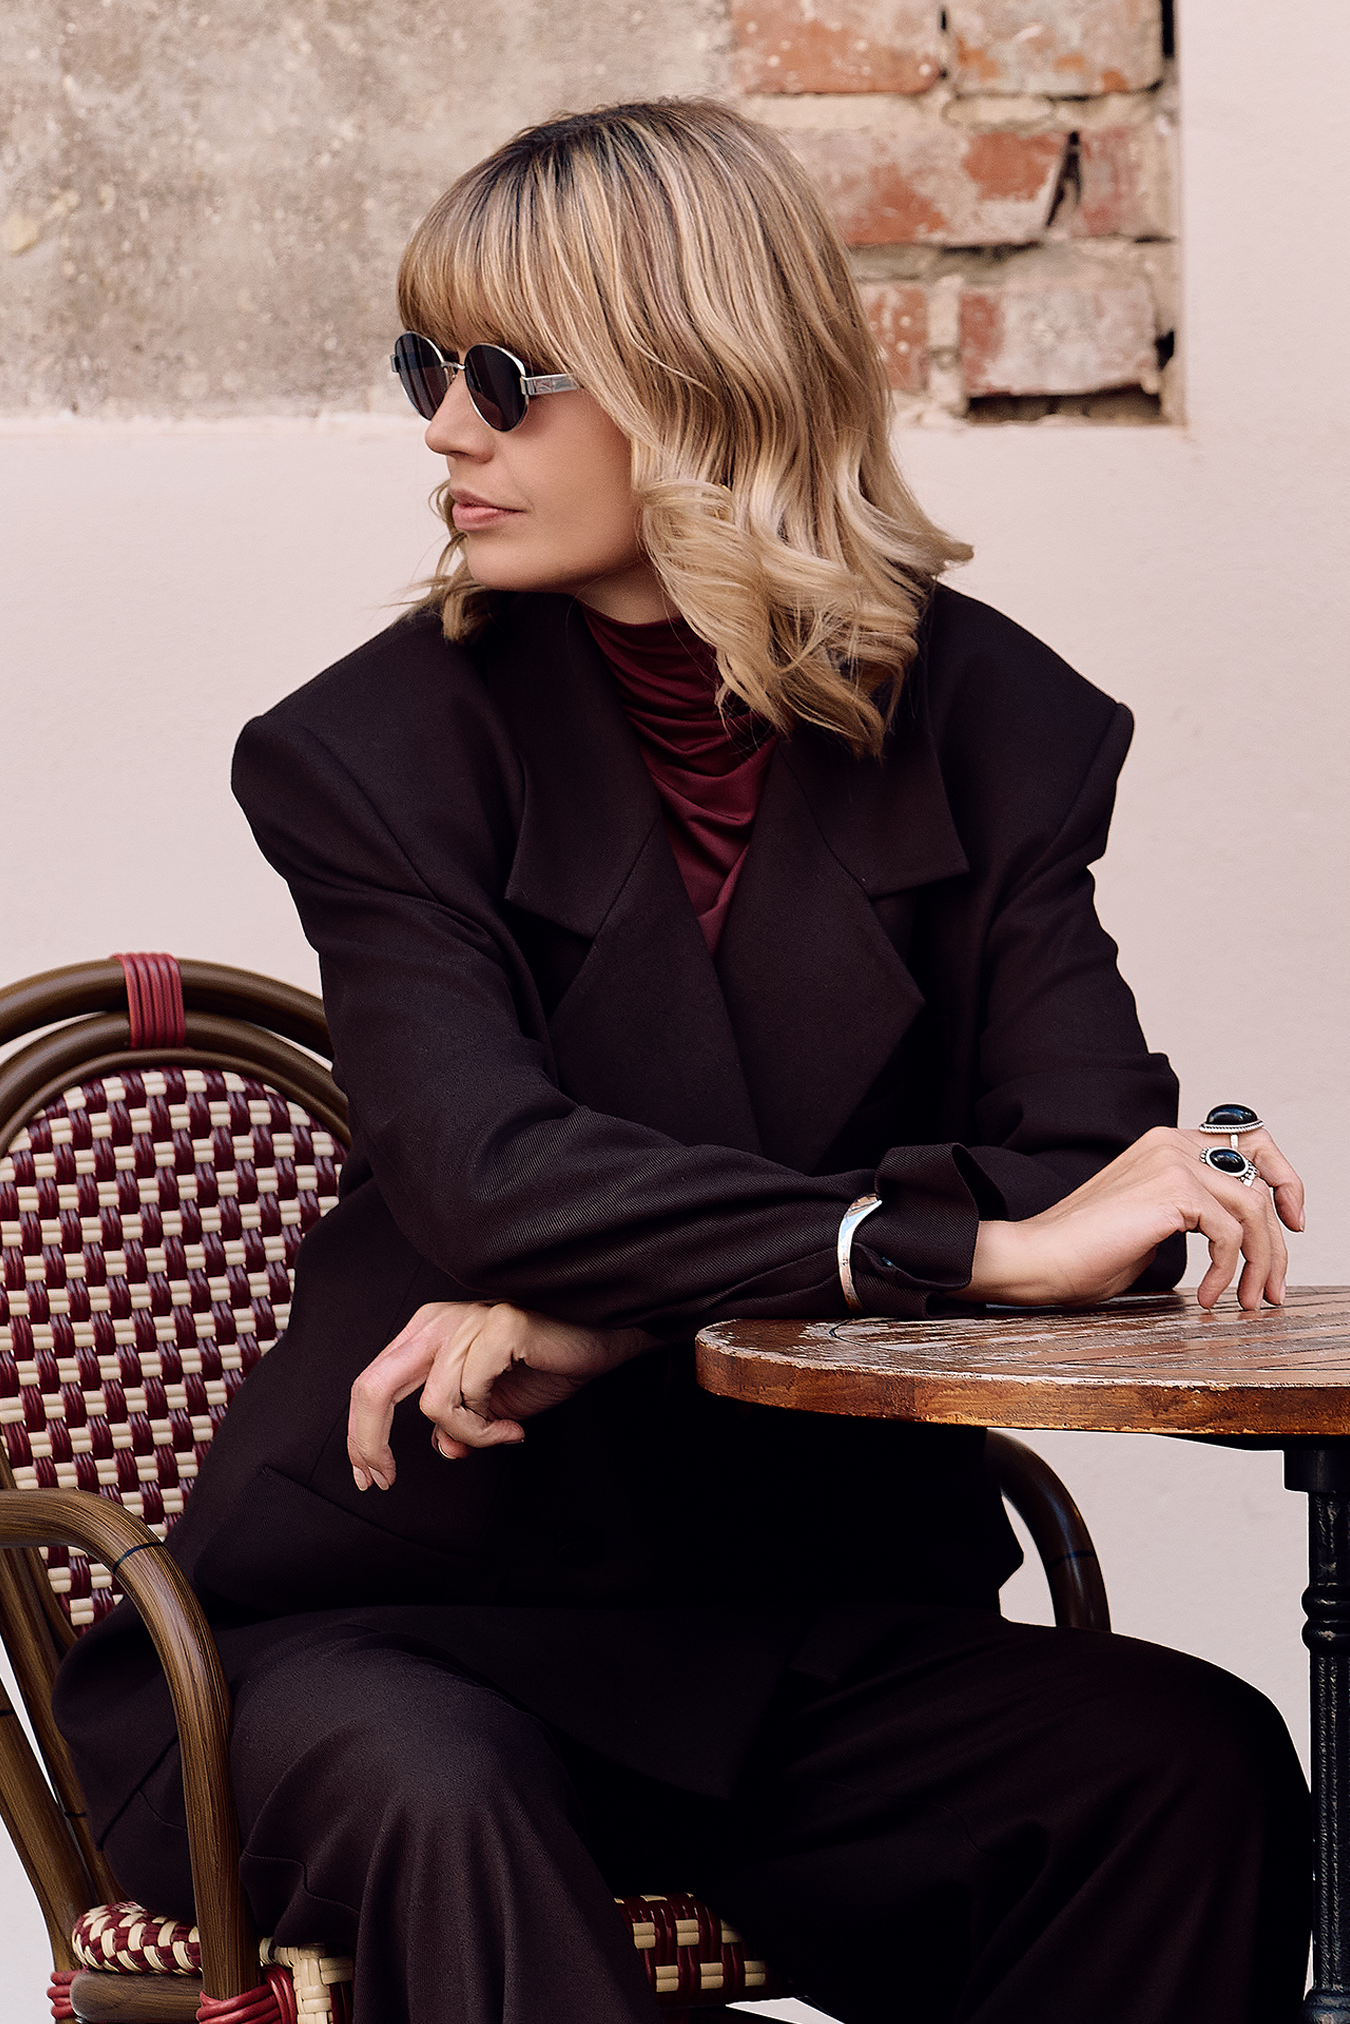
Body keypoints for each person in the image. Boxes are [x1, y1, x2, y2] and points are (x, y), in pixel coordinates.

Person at [55, 98, 1310, 2024]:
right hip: (395, 1618)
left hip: (790, 1612)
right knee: (447, 1797)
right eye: (422, 367)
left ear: (703, 380)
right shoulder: (369, 751)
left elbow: (1094, 1174)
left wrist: (620, 1314)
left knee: (1179, 1767)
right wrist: (958, 1248)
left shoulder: (995, 722)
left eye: (502, 378)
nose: (442, 429)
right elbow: (493, 1175)